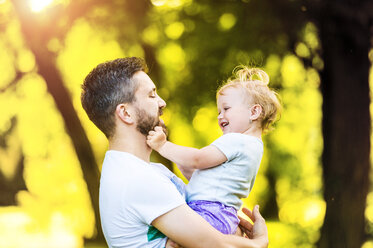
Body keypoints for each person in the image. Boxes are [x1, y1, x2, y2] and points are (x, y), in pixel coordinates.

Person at [81, 57, 269, 248]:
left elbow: (209, 224)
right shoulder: (136, 178)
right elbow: (216, 244)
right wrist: (259, 242)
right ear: (126, 113)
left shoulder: (151, 171)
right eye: (152, 95)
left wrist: (233, 231)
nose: (162, 102)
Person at [147, 66, 281, 235]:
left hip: (208, 213)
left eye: (226, 109)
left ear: (254, 112)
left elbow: (197, 159)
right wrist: (185, 165)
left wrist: (163, 146)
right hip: (222, 217)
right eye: (219, 111)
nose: (219, 116)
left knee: (162, 225)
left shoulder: (237, 140)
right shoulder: (253, 147)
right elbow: (210, 180)